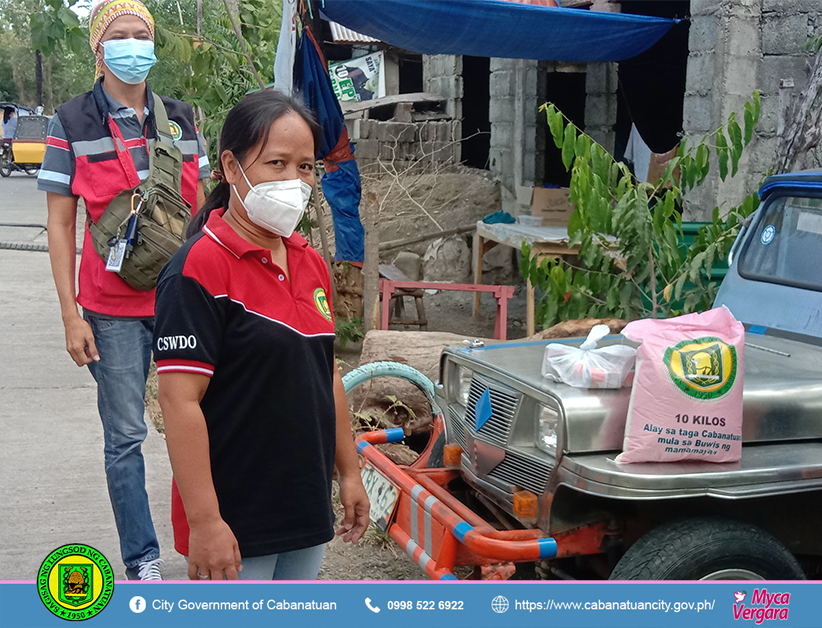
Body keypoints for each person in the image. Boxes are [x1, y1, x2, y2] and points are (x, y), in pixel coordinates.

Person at [153, 90, 370, 581]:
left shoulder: (311, 263)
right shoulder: (197, 270)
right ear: (231, 167)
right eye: (276, 163)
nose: (294, 181)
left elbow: (326, 371)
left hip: (303, 507)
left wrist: (350, 472)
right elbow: (178, 402)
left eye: (306, 167)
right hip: (235, 518)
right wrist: (206, 523)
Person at [37, 0, 210, 580]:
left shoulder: (183, 120)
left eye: (142, 34)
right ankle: (143, 560)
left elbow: (209, 212)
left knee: (212, 418)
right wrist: (70, 315)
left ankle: (211, 537)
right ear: (98, 49)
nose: (133, 45)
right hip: (109, 310)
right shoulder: (72, 121)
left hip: (184, 298)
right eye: (120, 35)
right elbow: (61, 224)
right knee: (127, 436)